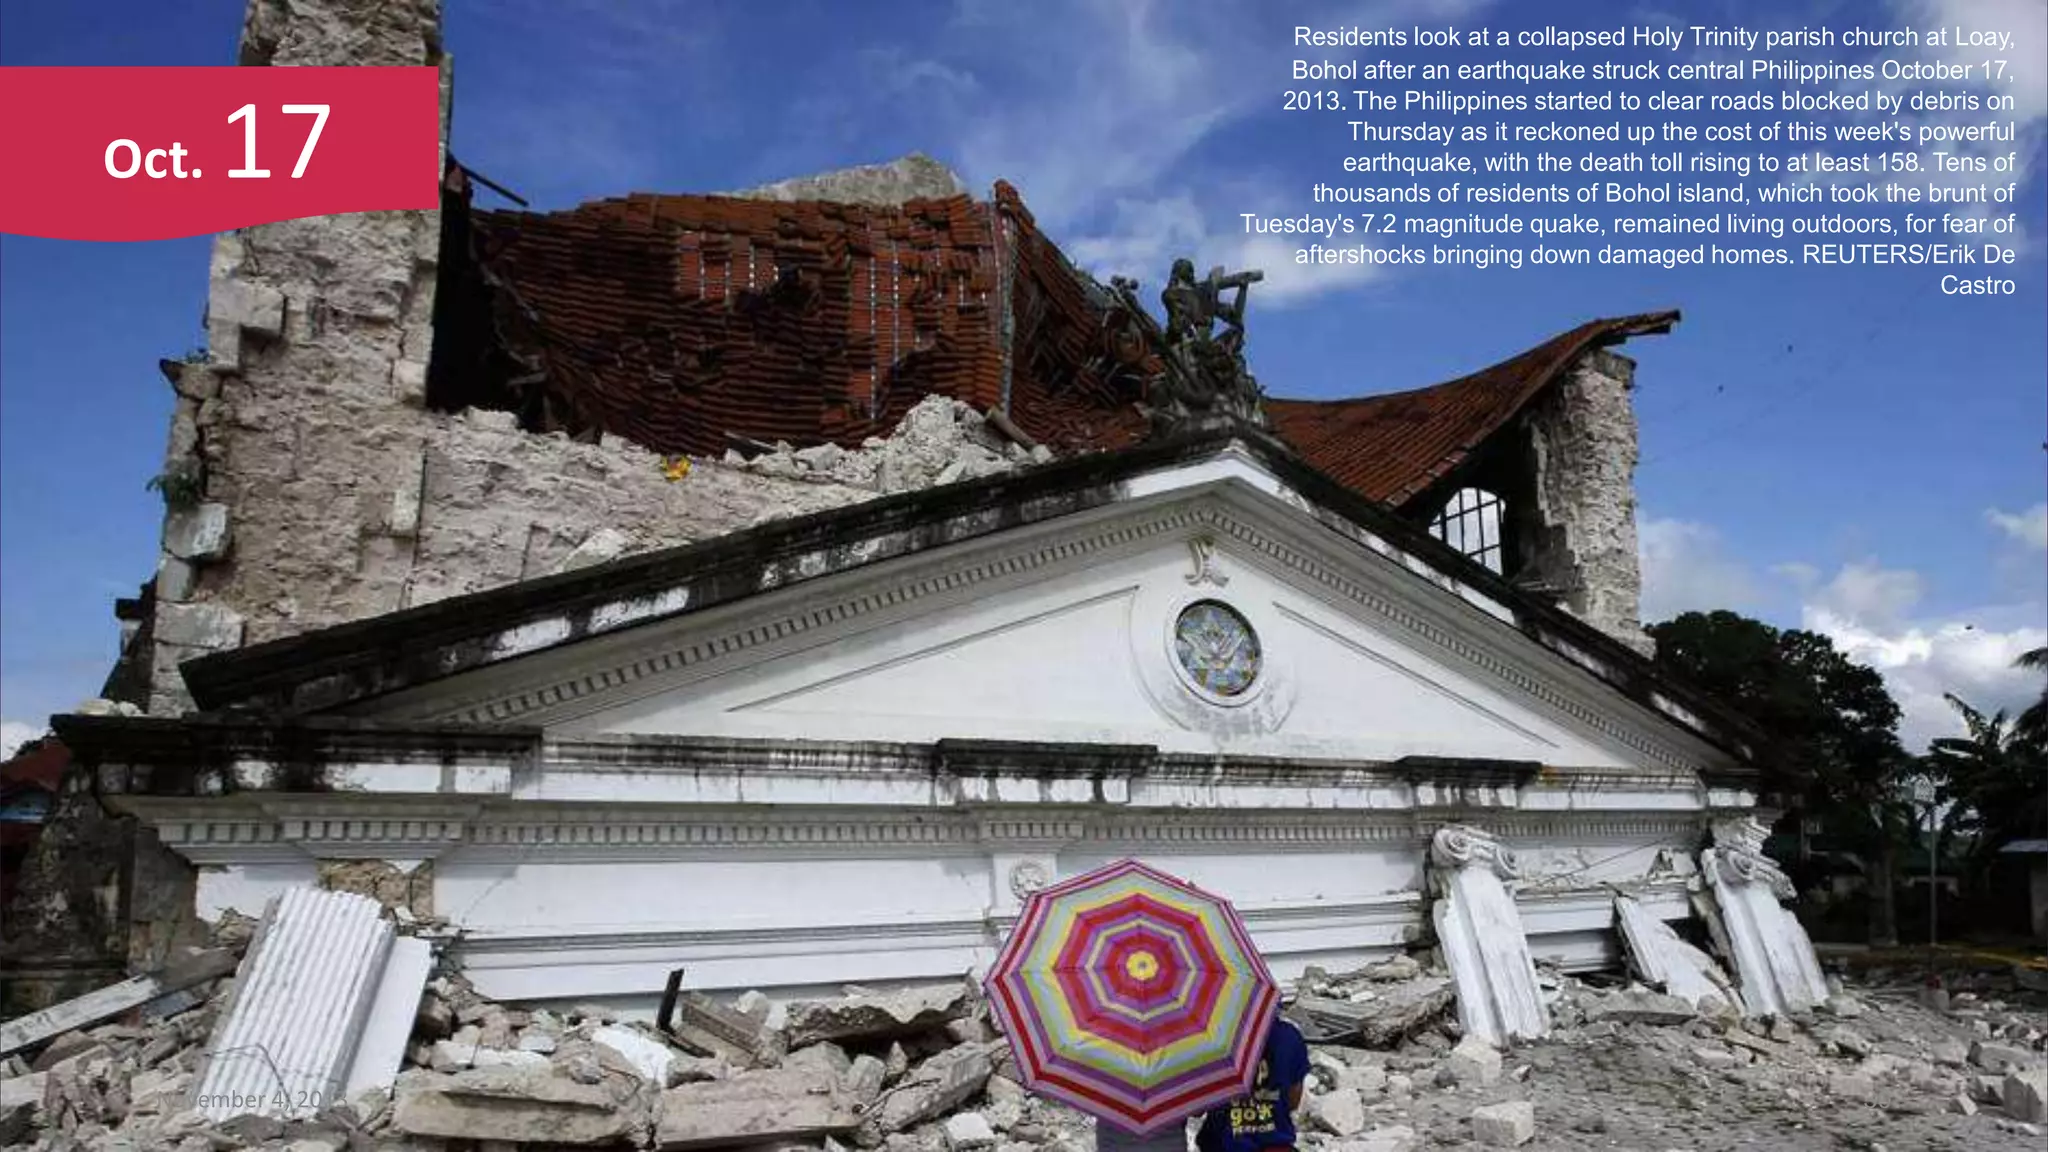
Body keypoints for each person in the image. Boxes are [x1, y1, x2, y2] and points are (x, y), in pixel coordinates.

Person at [1194, 1009, 1310, 1152]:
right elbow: (1293, 1101)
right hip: (1275, 1144)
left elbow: (1198, 1106)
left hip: (1222, 1144)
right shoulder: (1289, 1037)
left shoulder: (1214, 1038)